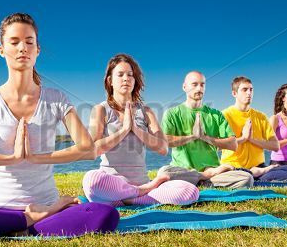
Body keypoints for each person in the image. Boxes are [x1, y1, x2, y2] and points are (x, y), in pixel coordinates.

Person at [0, 13, 119, 244]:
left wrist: (37, 158)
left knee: (105, 215)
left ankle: (21, 223)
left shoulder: (55, 98)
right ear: (2, 50)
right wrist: (12, 157)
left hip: (45, 202)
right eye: (14, 42)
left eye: (29, 42)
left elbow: (87, 149)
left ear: (37, 50)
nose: (22, 48)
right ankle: (31, 220)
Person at [82, 54, 200, 207]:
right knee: (91, 180)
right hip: (110, 184)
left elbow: (163, 148)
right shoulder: (101, 110)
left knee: (190, 191)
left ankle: (130, 197)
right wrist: (124, 130)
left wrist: (136, 130)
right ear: (110, 80)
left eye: (130, 75)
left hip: (141, 183)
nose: (126, 78)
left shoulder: (146, 111)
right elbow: (93, 150)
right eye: (120, 74)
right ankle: (136, 194)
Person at [157, 71, 254, 188]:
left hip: (212, 172)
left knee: (247, 178)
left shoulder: (216, 114)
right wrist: (193, 136)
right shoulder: (172, 113)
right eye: (194, 84)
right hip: (184, 171)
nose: (199, 88)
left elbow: (233, 145)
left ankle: (201, 178)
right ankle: (203, 177)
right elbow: (165, 142)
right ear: (184, 87)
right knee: (165, 172)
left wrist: (205, 137)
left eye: (202, 85)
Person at [220, 76, 287, 181]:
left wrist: (252, 140)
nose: (249, 93)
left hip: (259, 167)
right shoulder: (224, 116)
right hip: (233, 168)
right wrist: (244, 138)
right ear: (234, 93)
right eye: (244, 90)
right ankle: (251, 175)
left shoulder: (261, 117)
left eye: (251, 89)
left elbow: (275, 145)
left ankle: (255, 174)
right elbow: (218, 146)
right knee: (245, 178)